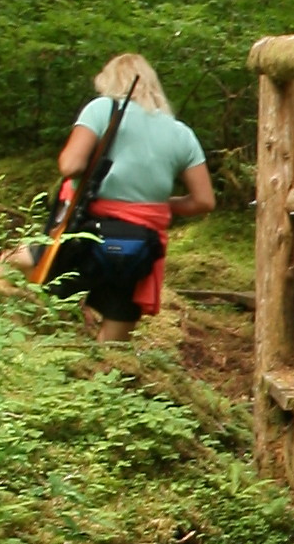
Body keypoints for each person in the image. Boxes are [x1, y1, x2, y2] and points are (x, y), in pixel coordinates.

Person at [45, 54, 213, 338]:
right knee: (117, 324)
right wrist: (156, 204)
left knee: (15, 264)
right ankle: (103, 378)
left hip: (84, 230)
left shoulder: (102, 109)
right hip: (138, 244)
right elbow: (204, 201)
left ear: (109, 81)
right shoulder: (180, 132)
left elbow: (70, 166)